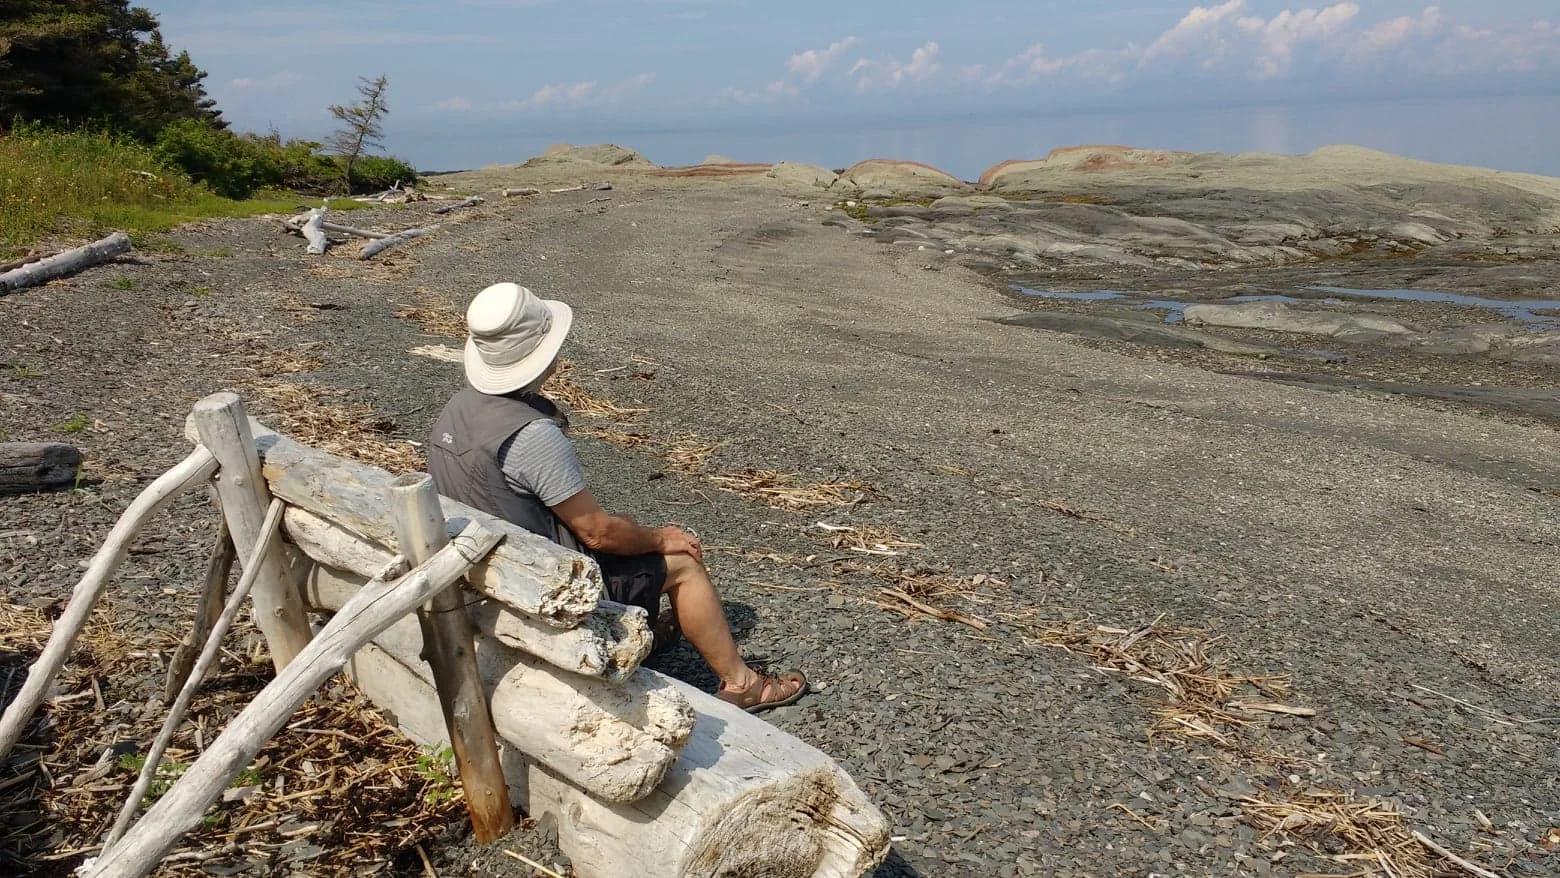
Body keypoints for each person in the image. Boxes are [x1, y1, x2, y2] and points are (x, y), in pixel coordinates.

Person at [427, 282, 806, 713]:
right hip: (542, 589)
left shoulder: (456, 409)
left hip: (486, 574)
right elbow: (598, 534)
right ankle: (743, 684)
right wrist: (663, 539)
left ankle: (640, 630)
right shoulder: (531, 435)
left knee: (630, 529)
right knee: (682, 563)